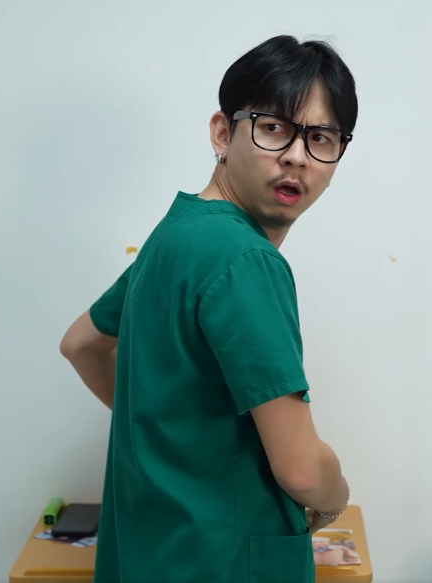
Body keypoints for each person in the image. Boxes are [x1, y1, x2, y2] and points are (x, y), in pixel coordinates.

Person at [60, 34, 359, 583]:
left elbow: (81, 344)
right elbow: (300, 470)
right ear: (223, 132)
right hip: (220, 562)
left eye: (321, 138)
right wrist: (335, 495)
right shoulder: (246, 260)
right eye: (274, 128)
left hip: (150, 552)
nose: (297, 156)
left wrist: (173, 444)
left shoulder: (174, 235)